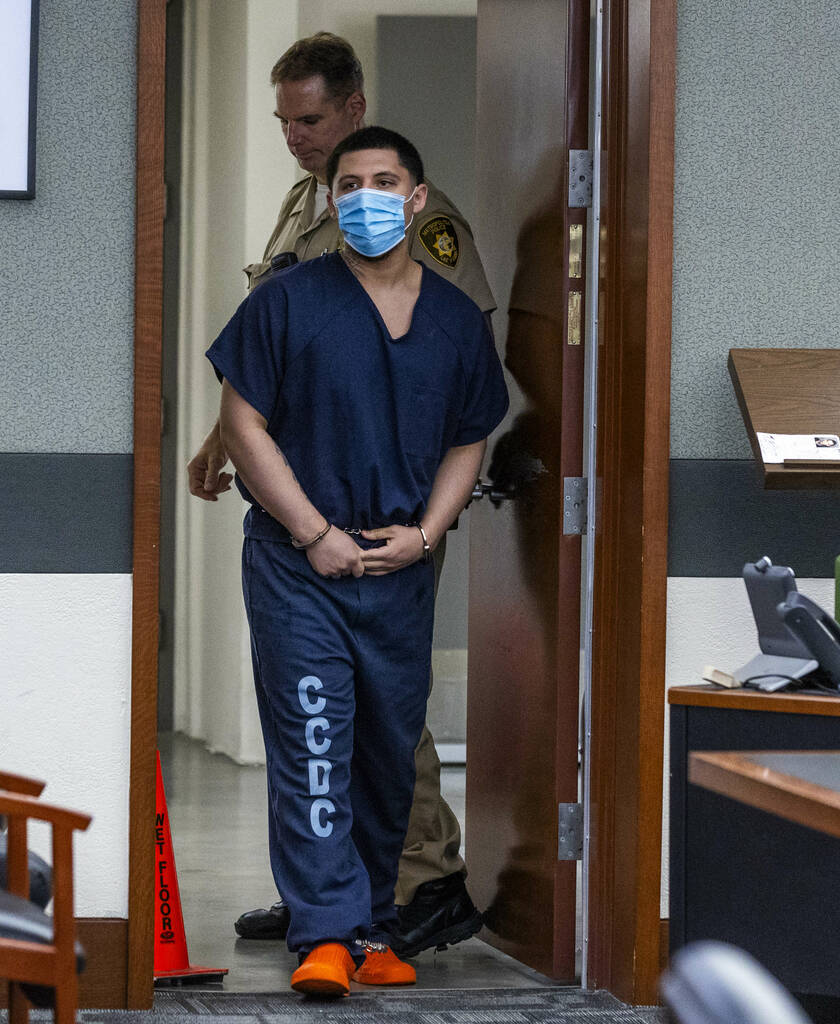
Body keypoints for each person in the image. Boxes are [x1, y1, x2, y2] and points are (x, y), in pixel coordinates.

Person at [185, 32, 489, 956]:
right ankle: (336, 900)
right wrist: (220, 438)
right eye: (283, 121)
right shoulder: (300, 212)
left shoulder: (430, 242)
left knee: (388, 723)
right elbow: (274, 368)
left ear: (354, 111)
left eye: (309, 118)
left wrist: (429, 523)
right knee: (322, 717)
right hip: (307, 522)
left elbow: (448, 367)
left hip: (392, 508)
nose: (293, 136)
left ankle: (420, 880)